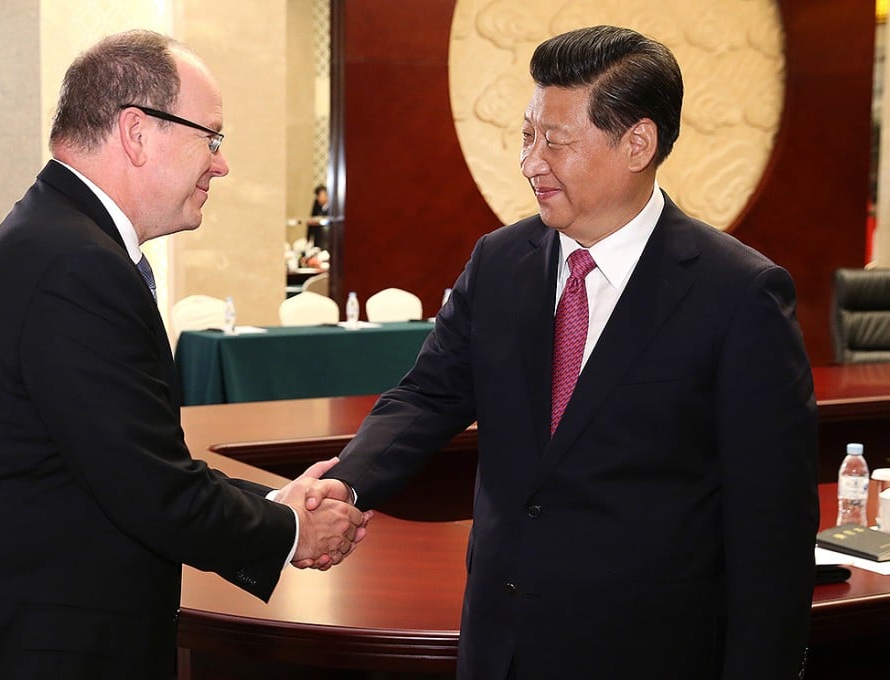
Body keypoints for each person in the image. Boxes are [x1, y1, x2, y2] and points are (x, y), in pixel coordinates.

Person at [321, 25, 818, 679]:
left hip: (648, 654)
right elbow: (429, 394)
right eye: (527, 136)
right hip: (500, 647)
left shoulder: (736, 294)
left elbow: (772, 526)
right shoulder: (500, 263)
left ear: (637, 142)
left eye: (553, 141)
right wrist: (347, 483)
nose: (530, 162)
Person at [0, 30, 366, 679]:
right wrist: (293, 530)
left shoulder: (58, 239)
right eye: (211, 138)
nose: (220, 164)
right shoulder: (73, 263)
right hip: (17, 649)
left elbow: (116, 461)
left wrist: (276, 508)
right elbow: (149, 488)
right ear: (136, 132)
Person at [306, 183, 331, 250]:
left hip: (326, 242)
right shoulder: (318, 208)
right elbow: (311, 221)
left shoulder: (332, 210)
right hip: (318, 242)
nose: (318, 198)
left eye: (319, 195)